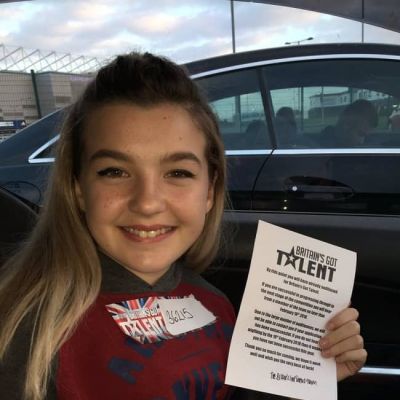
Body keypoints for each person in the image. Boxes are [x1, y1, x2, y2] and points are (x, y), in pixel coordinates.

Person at [0, 52, 366, 400]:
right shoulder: (30, 327)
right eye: (115, 171)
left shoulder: (214, 304)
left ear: (210, 191)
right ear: (79, 188)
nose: (147, 202)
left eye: (178, 173)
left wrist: (300, 381)